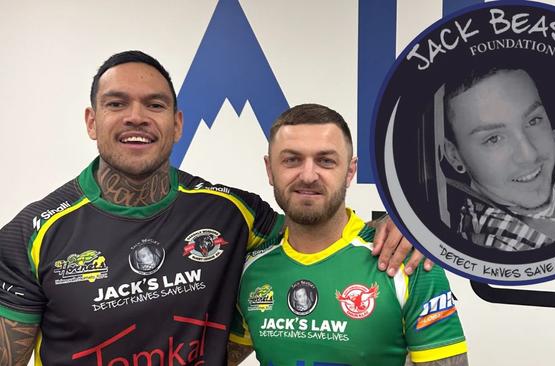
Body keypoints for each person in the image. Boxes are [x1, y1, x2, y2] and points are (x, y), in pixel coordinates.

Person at [0, 51, 424, 365]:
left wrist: (398, 225)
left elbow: (315, 227)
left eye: (155, 104)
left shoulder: (231, 212)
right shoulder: (29, 234)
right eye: (116, 103)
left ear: (177, 124)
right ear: (92, 121)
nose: (136, 117)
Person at [228, 104, 468, 365]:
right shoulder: (249, 270)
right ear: (270, 169)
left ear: (350, 171)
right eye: (291, 160)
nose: (308, 176)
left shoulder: (405, 261)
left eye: (326, 161)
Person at [442, 67, 555, 251]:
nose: (530, 155)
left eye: (533, 121)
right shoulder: (489, 246)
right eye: (493, 139)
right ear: (455, 156)